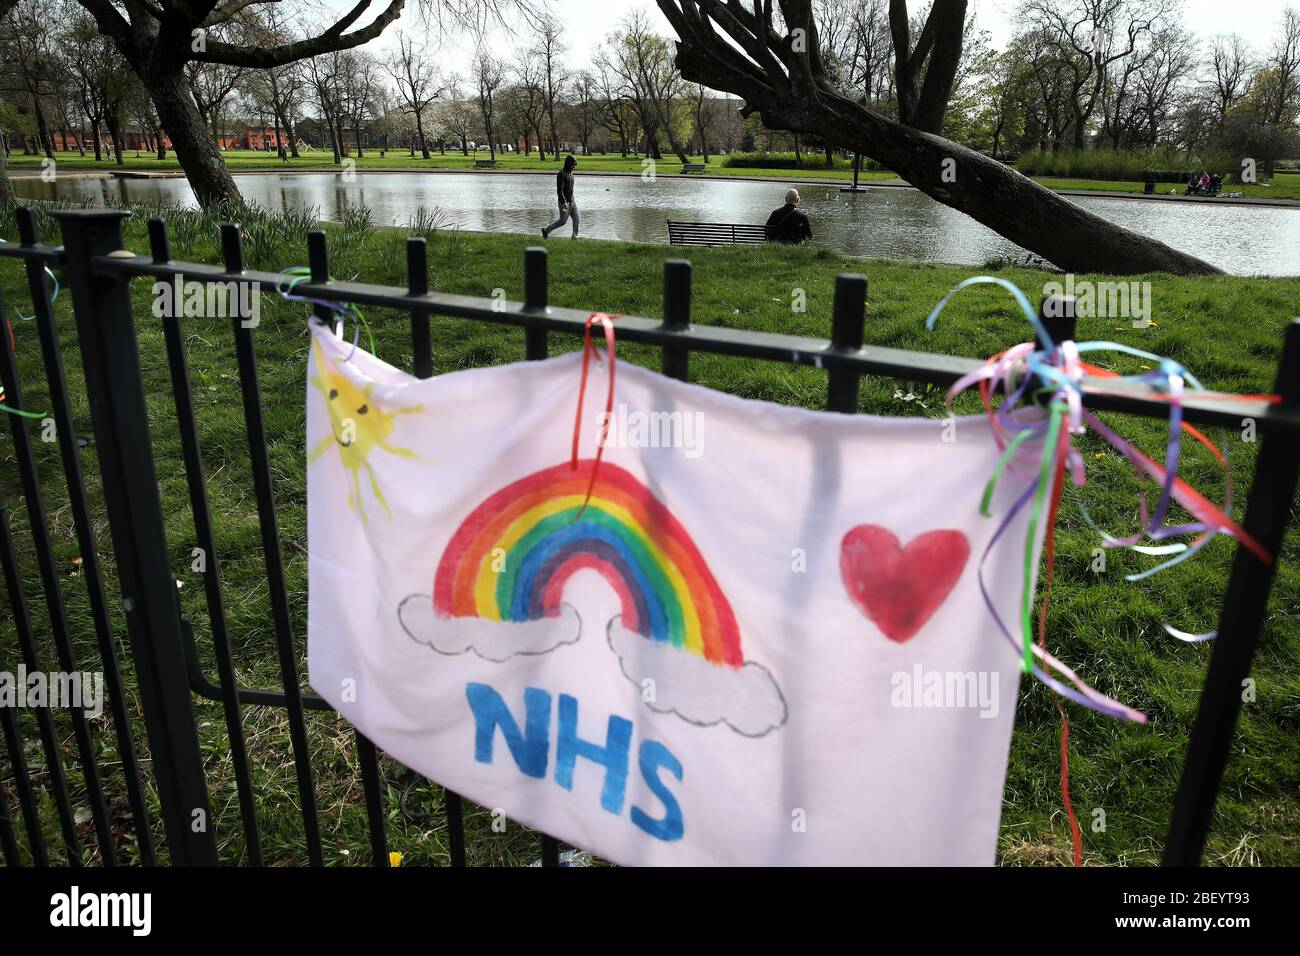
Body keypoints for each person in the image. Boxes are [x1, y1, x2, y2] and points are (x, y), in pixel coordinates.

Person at [542, 154, 580, 239]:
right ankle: (546, 230)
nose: (574, 166)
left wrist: (571, 201)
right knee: (562, 221)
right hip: (564, 202)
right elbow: (560, 190)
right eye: (573, 164)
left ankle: (574, 237)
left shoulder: (571, 174)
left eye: (575, 164)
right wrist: (564, 202)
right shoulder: (561, 174)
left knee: (577, 218)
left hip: (572, 200)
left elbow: (570, 189)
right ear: (568, 163)